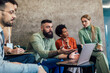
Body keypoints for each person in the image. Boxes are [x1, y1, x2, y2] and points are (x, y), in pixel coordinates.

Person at [0, 0, 47, 73]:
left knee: (32, 59)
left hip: (3, 59)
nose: (15, 16)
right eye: (11, 12)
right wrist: (35, 69)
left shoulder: (2, 32)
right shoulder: (36, 37)